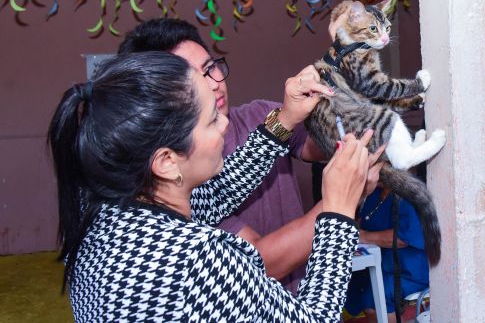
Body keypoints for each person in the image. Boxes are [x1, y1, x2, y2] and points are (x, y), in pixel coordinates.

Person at [49, 51, 373, 320]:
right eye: (211, 119)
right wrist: (339, 211)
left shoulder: (98, 217)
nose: (226, 123)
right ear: (166, 161)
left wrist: (285, 119)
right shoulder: (196, 260)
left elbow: (217, 192)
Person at [118, 18, 382, 291]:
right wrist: (340, 204)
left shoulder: (173, 187)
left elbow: (226, 186)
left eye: (210, 69)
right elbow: (259, 265)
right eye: (192, 82)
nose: (213, 86)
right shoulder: (181, 240)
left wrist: (322, 106)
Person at [345, 184, 430, 323]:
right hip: (383, 264)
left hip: (409, 271)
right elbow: (365, 221)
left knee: (373, 294)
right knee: (348, 281)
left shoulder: (409, 195)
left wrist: (364, 236)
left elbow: (402, 238)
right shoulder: (375, 193)